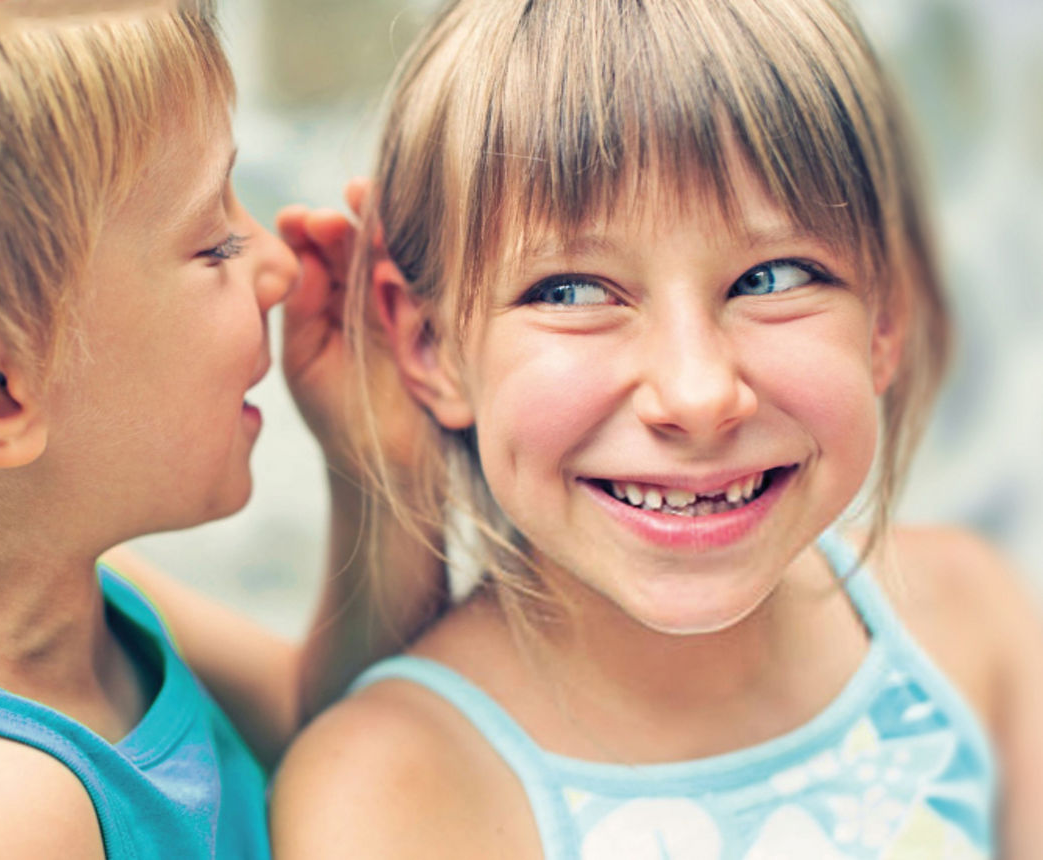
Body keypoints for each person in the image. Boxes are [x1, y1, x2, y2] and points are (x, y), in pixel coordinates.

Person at [270, 0, 1043, 857]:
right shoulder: (391, 791)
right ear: (430, 345)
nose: (698, 393)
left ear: (884, 320)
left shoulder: (969, 628)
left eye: (774, 277)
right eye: (572, 292)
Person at [0, 2, 441, 858]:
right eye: (215, 244)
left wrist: (378, 458)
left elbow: (341, 733)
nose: (279, 265)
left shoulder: (75, 596)